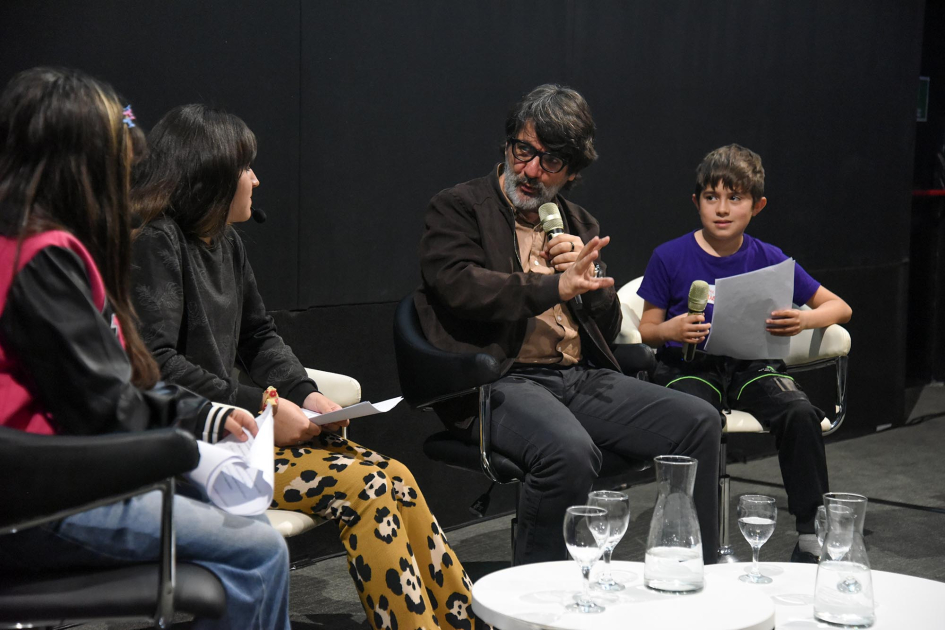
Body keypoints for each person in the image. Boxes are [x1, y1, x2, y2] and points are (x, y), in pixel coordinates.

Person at [130, 104, 483, 630]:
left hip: (242, 435)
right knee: (367, 488)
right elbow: (156, 365)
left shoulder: (226, 244)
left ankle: (464, 623)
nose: (255, 178)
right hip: (196, 448)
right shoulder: (159, 242)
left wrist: (306, 392)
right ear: (211, 176)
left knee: (398, 476)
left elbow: (258, 337)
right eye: (245, 167)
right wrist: (266, 407)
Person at [0, 68, 290, 628]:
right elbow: (106, 407)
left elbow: (110, 388)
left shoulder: (28, 245)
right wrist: (196, 428)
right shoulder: (42, 253)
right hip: (39, 501)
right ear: (81, 167)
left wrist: (204, 415)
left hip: (45, 481)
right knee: (259, 553)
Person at [415, 84, 722, 566]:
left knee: (698, 422)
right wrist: (549, 287)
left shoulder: (576, 221)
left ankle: (688, 572)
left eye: (552, 161)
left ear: (573, 172)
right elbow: (459, 287)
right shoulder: (459, 207)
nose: (531, 170)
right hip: (499, 380)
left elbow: (607, 323)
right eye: (524, 151)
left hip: (576, 377)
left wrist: (590, 282)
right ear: (509, 143)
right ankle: (535, 605)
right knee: (569, 452)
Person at [637, 143, 853, 563]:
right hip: (689, 366)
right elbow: (647, 329)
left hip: (753, 366)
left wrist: (803, 320)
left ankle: (810, 532)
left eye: (735, 198)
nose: (722, 208)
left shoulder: (769, 258)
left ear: (757, 205)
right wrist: (671, 329)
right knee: (693, 417)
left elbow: (840, 307)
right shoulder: (669, 256)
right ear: (696, 201)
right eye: (712, 197)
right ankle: (688, 536)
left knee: (800, 412)